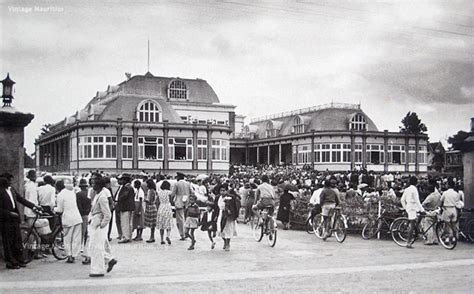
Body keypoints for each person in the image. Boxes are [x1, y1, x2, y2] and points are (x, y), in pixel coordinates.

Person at [0, 175, 40, 269]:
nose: (11, 182)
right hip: (6, 220)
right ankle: (10, 262)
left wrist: (33, 206)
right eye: (9, 181)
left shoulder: (12, 190)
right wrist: (9, 213)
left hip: (14, 219)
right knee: (8, 242)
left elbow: (21, 199)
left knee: (17, 240)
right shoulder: (1, 191)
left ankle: (19, 260)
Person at [88, 177, 117, 277]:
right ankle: (109, 259)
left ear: (99, 185)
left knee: (97, 246)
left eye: (94, 184)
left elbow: (107, 214)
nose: (92, 185)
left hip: (99, 222)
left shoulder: (102, 197)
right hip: (94, 220)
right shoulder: (97, 195)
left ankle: (98, 270)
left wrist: (102, 225)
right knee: (94, 246)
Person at [55, 180, 83, 263]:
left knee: (67, 238)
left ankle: (69, 256)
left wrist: (53, 209)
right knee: (76, 238)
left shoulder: (60, 195)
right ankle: (74, 255)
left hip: (67, 219)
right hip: (77, 217)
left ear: (57, 188)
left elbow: (60, 210)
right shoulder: (71, 193)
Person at [400, 176, 424, 249]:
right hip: (413, 208)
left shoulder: (407, 189)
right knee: (412, 225)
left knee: (415, 222)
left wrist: (405, 208)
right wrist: (422, 209)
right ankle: (409, 242)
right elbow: (417, 201)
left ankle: (416, 232)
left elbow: (402, 200)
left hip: (409, 207)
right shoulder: (414, 189)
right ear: (416, 182)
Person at [171, 172, 195, 240]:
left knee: (180, 220)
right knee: (186, 218)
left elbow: (173, 194)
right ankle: (186, 232)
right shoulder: (188, 183)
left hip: (179, 203)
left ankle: (182, 234)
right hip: (187, 203)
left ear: (178, 177)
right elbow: (192, 192)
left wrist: (172, 201)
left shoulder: (176, 184)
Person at [218, 184, 240, 251]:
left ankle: (228, 244)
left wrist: (235, 216)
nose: (222, 192)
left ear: (227, 191)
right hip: (221, 214)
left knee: (228, 229)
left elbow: (236, 206)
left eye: (224, 190)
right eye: (221, 190)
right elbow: (216, 207)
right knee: (220, 229)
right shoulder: (218, 198)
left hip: (229, 216)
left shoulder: (231, 197)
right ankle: (224, 241)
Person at [440, 178, 461, 245]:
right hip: (454, 209)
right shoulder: (456, 193)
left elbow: (441, 201)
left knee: (447, 225)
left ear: (448, 185)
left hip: (447, 209)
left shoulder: (445, 193)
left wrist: (440, 207)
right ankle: (454, 238)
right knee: (453, 224)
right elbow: (457, 202)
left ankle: (447, 239)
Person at [117, 174, 135, 244]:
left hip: (125, 207)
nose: (121, 181)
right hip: (129, 207)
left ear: (125, 180)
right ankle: (129, 236)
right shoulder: (130, 187)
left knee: (124, 223)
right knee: (129, 223)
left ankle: (125, 237)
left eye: (122, 179)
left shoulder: (126, 187)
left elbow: (124, 196)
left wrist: (118, 200)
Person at [76, 178, 91, 250]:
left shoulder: (78, 194)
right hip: (87, 213)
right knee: (86, 230)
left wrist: (81, 212)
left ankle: (81, 246)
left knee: (81, 230)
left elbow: (78, 205)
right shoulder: (89, 193)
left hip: (81, 214)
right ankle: (84, 245)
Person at [156, 180, 173, 245]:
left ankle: (161, 239)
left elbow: (157, 201)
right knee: (168, 223)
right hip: (167, 207)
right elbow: (171, 201)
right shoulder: (169, 192)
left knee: (161, 224)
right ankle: (168, 236)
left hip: (161, 207)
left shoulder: (159, 192)